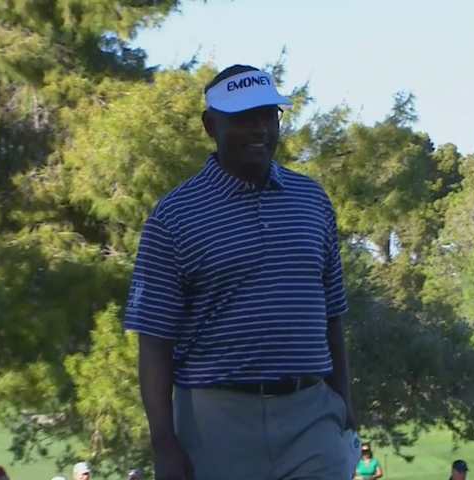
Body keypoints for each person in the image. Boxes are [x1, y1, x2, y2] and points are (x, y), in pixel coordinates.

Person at [124, 64, 355, 480]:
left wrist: (344, 403)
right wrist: (163, 442)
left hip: (312, 416)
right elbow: (154, 341)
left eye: (268, 115)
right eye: (244, 118)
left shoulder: (312, 201)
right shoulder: (174, 217)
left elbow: (332, 315)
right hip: (216, 424)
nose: (260, 129)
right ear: (211, 126)